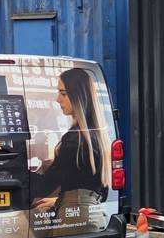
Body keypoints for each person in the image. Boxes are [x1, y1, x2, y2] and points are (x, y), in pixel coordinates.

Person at [31, 68, 109, 220]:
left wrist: (2, 157)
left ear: (79, 96)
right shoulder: (97, 135)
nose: (57, 99)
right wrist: (62, 199)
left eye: (63, 93)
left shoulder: (75, 140)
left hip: (74, 218)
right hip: (96, 216)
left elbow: (44, 186)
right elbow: (94, 189)